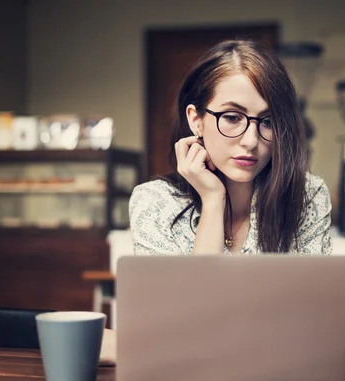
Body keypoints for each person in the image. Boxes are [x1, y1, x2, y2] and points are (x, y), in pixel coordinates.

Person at [129, 40, 332, 255]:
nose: (251, 141)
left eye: (268, 122)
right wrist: (213, 200)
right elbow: (190, 290)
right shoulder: (155, 203)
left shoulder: (306, 196)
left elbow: (312, 289)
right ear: (196, 120)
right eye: (233, 117)